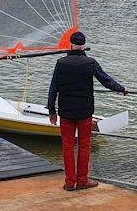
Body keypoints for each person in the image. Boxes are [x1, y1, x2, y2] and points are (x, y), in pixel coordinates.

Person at [48, 31, 127, 191]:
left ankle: (70, 182)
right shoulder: (90, 62)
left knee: (68, 146)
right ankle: (82, 180)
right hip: (85, 111)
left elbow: (53, 88)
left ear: (70, 44)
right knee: (84, 145)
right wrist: (122, 89)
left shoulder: (61, 63)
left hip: (66, 111)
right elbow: (106, 80)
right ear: (83, 45)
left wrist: (51, 110)